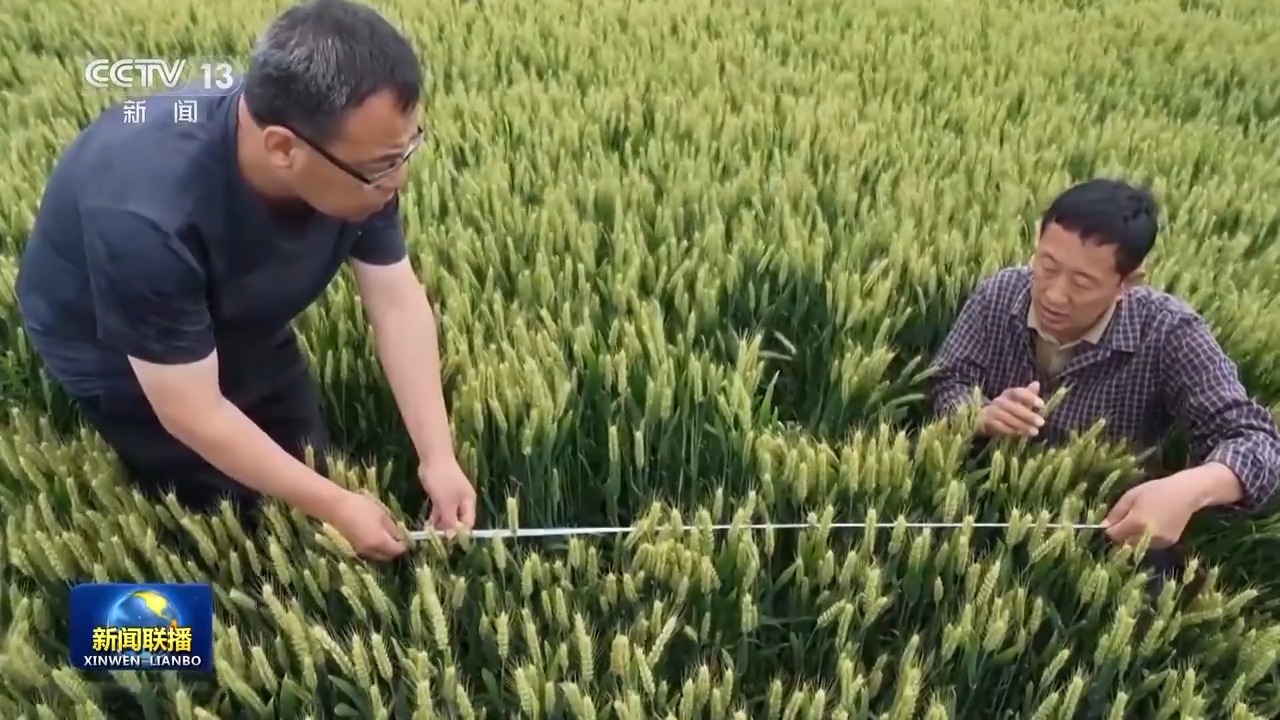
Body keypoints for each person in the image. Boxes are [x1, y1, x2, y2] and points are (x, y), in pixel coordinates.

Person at [15, 0, 476, 561]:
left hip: (244, 314)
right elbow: (192, 411)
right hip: (120, 347)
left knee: (308, 463)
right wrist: (335, 506)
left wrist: (438, 457)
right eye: (383, 164)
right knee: (236, 513)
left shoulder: (356, 163)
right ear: (283, 148)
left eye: (407, 149)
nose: (399, 178)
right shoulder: (146, 216)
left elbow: (397, 301)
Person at [929, 178, 1280, 550]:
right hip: (981, 502)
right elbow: (948, 379)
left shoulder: (1169, 333)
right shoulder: (1000, 294)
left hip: (1107, 528)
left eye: (1082, 283)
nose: (1054, 294)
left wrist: (1189, 489)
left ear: (1129, 282)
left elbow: (1258, 444)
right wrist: (978, 414)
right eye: (1047, 265)